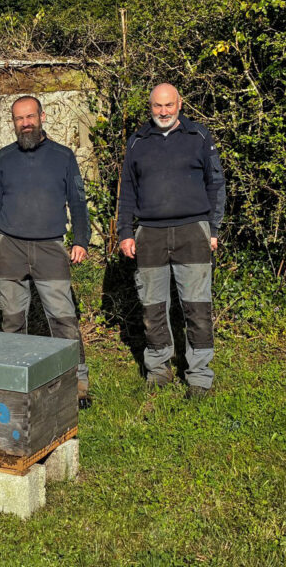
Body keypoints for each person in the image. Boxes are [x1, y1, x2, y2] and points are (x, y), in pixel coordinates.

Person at [0, 95, 93, 408]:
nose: (25, 123)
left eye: (30, 117)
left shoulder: (63, 156)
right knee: (13, 320)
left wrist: (81, 239)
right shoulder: (3, 158)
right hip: (10, 247)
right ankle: (15, 383)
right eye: (19, 119)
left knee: (63, 319)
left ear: (41, 117)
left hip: (50, 247)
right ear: (13, 122)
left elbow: (79, 203)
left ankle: (76, 382)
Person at [117, 83, 226, 399]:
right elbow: (127, 193)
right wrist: (126, 232)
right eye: (156, 106)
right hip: (149, 234)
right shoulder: (137, 142)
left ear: (179, 104)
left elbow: (216, 184)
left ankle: (200, 377)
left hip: (193, 231)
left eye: (168, 105)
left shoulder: (199, 137)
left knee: (197, 307)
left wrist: (213, 229)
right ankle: (159, 371)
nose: (163, 112)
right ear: (149, 107)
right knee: (153, 307)